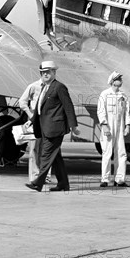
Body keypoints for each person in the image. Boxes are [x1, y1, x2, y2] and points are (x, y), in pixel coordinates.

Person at [25, 61, 80, 192]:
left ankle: (38, 183)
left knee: (46, 155)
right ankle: (63, 184)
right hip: (44, 127)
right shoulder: (45, 87)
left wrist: (73, 125)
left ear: (54, 72)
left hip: (55, 128)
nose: (45, 74)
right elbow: (40, 108)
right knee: (56, 158)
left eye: (48, 72)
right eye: (43, 72)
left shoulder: (59, 87)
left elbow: (68, 106)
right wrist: (32, 120)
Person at [97, 71, 130, 187]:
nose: (117, 86)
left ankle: (120, 179)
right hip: (109, 125)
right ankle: (105, 179)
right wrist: (104, 125)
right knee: (107, 152)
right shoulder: (105, 94)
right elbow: (101, 111)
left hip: (120, 125)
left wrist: (127, 125)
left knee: (121, 152)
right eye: (115, 84)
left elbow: (127, 112)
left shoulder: (123, 96)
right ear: (111, 82)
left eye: (119, 83)